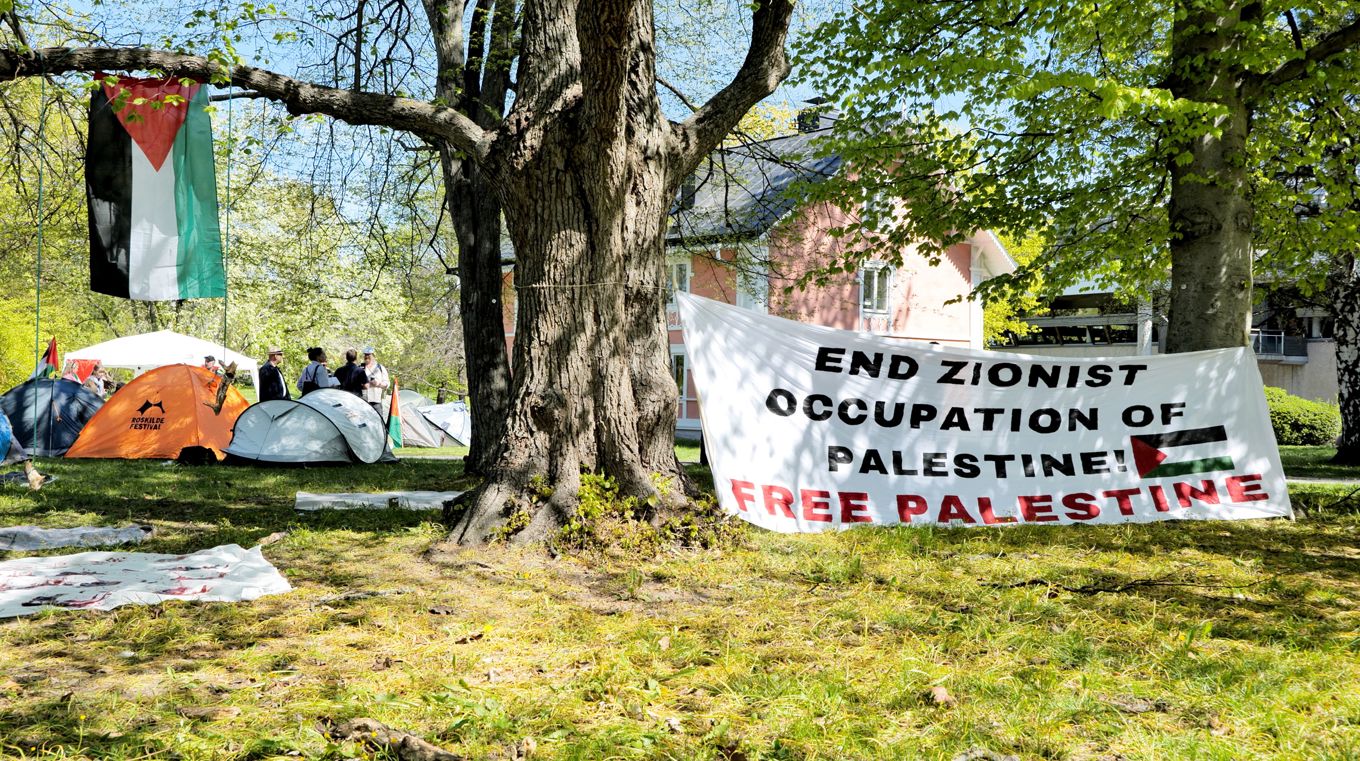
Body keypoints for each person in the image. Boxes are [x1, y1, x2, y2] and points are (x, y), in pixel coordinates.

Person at [361, 346, 389, 416]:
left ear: (373, 355)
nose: (366, 356)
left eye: (368, 355)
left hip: (376, 402)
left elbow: (387, 384)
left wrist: (378, 384)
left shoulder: (380, 368)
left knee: (379, 423)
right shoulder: (360, 368)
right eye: (365, 355)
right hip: (362, 401)